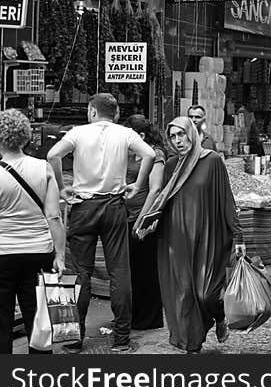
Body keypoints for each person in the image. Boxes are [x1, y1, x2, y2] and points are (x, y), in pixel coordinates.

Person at [47, 93, 156, 353]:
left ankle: (74, 340)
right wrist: (138, 185)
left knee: (80, 274)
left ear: (92, 111)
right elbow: (150, 154)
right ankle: (121, 340)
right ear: (116, 114)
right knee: (120, 272)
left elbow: (53, 155)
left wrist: (63, 188)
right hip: (114, 206)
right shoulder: (125, 133)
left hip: (83, 206)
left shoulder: (78, 132)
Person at [133, 117, 243, 354]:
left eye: (181, 134)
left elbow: (226, 199)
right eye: (172, 137)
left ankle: (219, 315)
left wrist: (239, 235)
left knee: (207, 294)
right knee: (183, 294)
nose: (178, 141)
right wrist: (147, 223)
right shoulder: (172, 165)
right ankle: (191, 344)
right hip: (176, 240)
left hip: (207, 240)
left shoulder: (212, 161)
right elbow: (161, 199)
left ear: (192, 134)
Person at [0, 109, 66, 354]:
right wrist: (60, 255)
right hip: (39, 252)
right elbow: (53, 216)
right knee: (39, 320)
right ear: (26, 137)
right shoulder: (43, 168)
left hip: (3, 253)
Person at [122, 115, 166, 330]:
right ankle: (133, 315)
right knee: (131, 269)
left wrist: (141, 219)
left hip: (143, 219)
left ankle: (148, 318)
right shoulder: (132, 154)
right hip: (127, 216)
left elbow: (155, 189)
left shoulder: (155, 154)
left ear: (140, 136)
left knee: (145, 269)